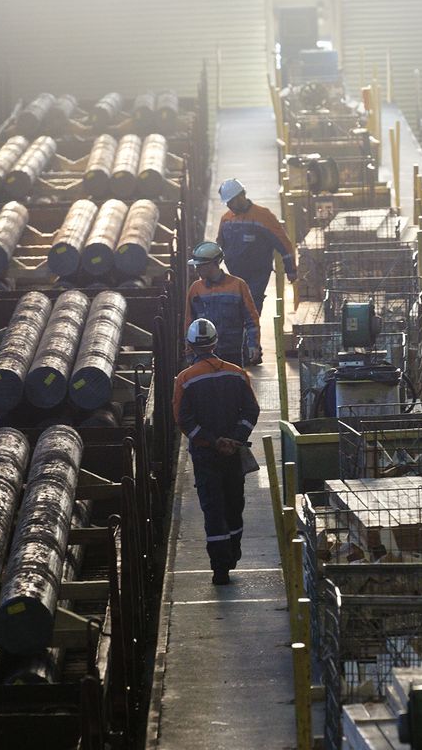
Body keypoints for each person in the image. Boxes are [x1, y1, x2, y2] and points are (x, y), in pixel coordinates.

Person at [173, 318, 260, 585]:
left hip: (206, 456)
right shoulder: (237, 373)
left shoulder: (185, 380)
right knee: (234, 504)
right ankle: (233, 552)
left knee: (213, 509)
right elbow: (251, 411)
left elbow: (183, 420)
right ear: (215, 343)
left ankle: (220, 568)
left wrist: (213, 442)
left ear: (189, 346)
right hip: (233, 454)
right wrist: (235, 439)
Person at [216, 178, 297, 315]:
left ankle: (251, 334)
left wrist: (291, 269)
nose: (229, 206)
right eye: (227, 203)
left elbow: (283, 243)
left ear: (241, 195)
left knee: (251, 308)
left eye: (231, 202)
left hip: (257, 275)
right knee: (238, 309)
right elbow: (219, 245)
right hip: (236, 275)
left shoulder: (263, 216)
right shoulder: (226, 219)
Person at [184, 241, 260, 366]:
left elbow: (251, 319)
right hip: (203, 354)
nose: (196, 269)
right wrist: (189, 351)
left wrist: (253, 345)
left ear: (213, 264)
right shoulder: (195, 289)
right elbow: (189, 323)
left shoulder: (238, 285)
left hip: (232, 353)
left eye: (200, 265)